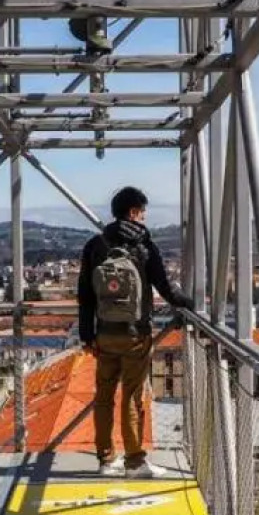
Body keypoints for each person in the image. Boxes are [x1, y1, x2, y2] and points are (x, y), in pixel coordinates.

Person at [78, 187, 194, 478]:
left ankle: (106, 459)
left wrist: (87, 335)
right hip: (135, 334)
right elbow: (165, 288)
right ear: (133, 212)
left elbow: (85, 295)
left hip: (104, 333)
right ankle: (134, 461)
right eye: (142, 213)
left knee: (104, 396)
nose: (144, 218)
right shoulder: (144, 246)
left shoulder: (95, 245)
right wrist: (190, 304)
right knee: (132, 395)